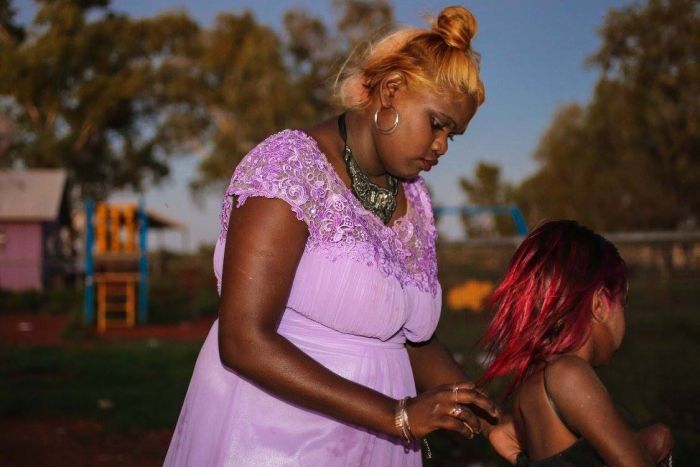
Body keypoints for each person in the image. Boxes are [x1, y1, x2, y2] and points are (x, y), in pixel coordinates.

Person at [165, 6, 505, 466]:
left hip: (377, 445)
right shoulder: (289, 167)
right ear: (391, 91)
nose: (442, 146)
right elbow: (243, 340)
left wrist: (490, 423)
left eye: (453, 135)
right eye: (438, 124)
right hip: (278, 440)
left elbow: (413, 341)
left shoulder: (417, 200)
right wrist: (397, 415)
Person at [480, 220, 673, 466]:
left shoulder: (535, 380)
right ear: (600, 304)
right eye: (623, 302)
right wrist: (655, 443)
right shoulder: (568, 375)